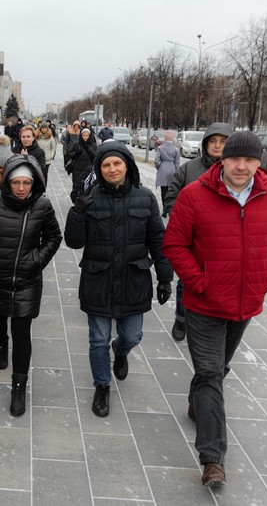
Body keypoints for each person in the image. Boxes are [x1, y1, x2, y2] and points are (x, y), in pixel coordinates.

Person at [162, 131, 267, 488]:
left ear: (258, 162)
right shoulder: (194, 195)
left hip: (246, 302)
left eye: (249, 160)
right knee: (210, 373)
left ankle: (197, 402)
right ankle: (213, 458)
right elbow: (174, 243)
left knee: (218, 368)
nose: (241, 166)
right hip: (204, 304)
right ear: (222, 159)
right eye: (235, 159)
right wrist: (199, 281)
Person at [64, 142, 172, 418]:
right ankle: (102, 385)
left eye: (117, 164)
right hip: (97, 279)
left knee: (132, 335)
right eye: (106, 165)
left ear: (127, 165)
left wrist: (164, 277)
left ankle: (121, 351)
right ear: (99, 170)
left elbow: (158, 241)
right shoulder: (89, 197)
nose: (112, 169)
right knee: (98, 339)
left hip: (133, 279)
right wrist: (78, 212)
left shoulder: (146, 197)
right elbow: (73, 241)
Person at [0, 155, 62, 417]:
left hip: (27, 281)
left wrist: (37, 260)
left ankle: (18, 385)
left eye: (26, 183)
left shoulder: (42, 206)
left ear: (34, 183)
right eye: (16, 182)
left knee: (22, 332)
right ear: (7, 182)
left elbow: (54, 236)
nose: (21, 188)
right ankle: (0, 342)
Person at [163, 123, 232, 341]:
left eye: (223, 142)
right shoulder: (189, 169)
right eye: (213, 141)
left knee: (223, 285)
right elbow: (171, 196)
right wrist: (182, 221)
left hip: (225, 243)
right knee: (187, 283)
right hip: (194, 241)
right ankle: (181, 319)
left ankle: (217, 323)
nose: (217, 146)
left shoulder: (238, 171)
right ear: (205, 144)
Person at [153, 130, 181, 216]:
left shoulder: (160, 148)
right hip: (172, 169)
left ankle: (164, 209)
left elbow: (156, 161)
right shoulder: (176, 150)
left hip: (163, 169)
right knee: (171, 190)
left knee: (163, 190)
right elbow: (177, 163)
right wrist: (176, 172)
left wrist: (159, 168)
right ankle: (169, 208)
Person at [66, 128, 97, 202]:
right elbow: (69, 154)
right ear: (81, 135)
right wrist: (76, 153)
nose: (85, 137)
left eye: (87, 135)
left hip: (89, 170)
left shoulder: (93, 145)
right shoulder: (77, 144)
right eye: (83, 135)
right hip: (77, 170)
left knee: (88, 187)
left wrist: (89, 149)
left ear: (90, 136)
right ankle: (76, 201)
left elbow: (96, 156)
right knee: (76, 186)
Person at [36, 122, 57, 186]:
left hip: (47, 159)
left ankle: (44, 188)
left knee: (45, 174)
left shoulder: (50, 137)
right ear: (40, 129)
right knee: (38, 173)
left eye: (45, 128)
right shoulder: (36, 136)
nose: (44, 129)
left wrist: (51, 155)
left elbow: (53, 147)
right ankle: (38, 188)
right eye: (43, 128)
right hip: (38, 158)